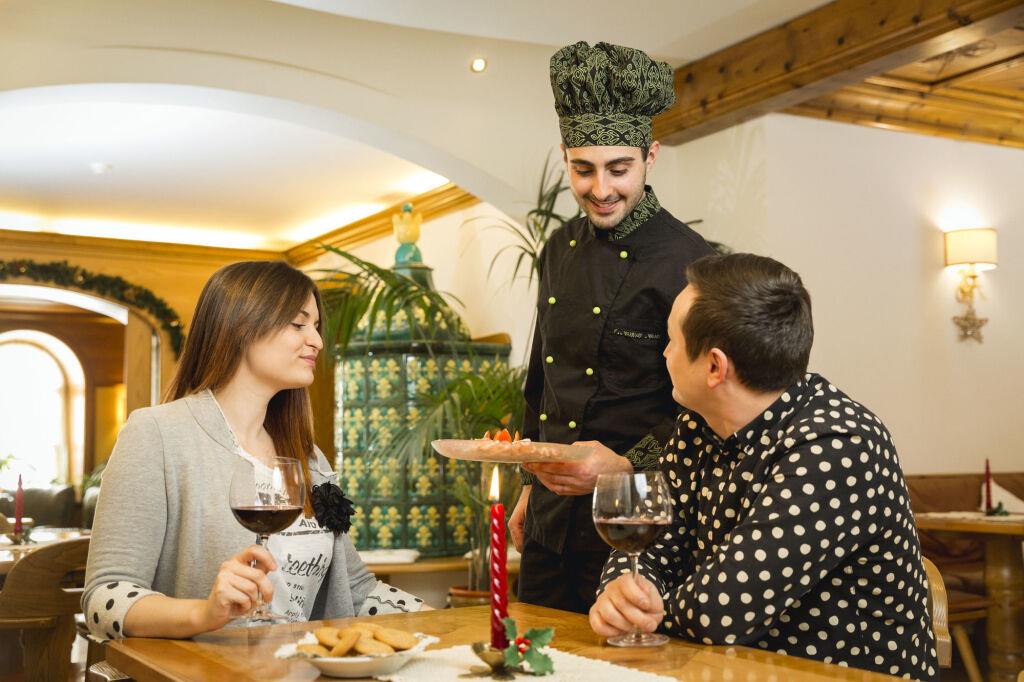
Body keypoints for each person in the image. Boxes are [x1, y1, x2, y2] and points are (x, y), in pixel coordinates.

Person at [590, 254, 937, 680]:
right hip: (723, 669)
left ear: (714, 366)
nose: (664, 352)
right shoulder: (696, 426)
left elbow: (721, 609)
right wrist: (619, 591)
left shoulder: (838, 445)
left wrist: (642, 614)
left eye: (672, 340)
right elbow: (653, 547)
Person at [83, 261, 423, 641]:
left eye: (316, 327)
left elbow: (356, 591)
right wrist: (205, 613)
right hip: (205, 667)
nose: (317, 341)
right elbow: (104, 597)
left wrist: (450, 622)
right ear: (242, 326)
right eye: (298, 324)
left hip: (303, 665)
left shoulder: (308, 458)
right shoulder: (157, 434)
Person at [509, 40, 714, 614]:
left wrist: (627, 464)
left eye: (619, 169)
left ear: (651, 155)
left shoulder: (692, 261)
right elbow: (540, 382)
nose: (600, 189)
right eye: (583, 169)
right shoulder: (557, 248)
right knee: (535, 652)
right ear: (565, 157)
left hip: (638, 520)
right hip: (550, 519)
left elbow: (708, 408)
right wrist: (528, 487)